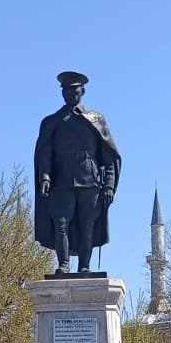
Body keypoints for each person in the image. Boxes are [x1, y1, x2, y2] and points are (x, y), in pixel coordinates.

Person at [33, 70, 121, 274]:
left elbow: (108, 155)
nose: (70, 94)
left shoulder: (95, 119)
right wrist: (45, 176)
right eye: (66, 90)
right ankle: (63, 265)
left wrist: (109, 186)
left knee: (87, 225)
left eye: (74, 90)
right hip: (61, 181)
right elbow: (45, 152)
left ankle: (84, 266)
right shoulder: (52, 122)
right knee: (60, 223)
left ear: (82, 91)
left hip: (90, 181)